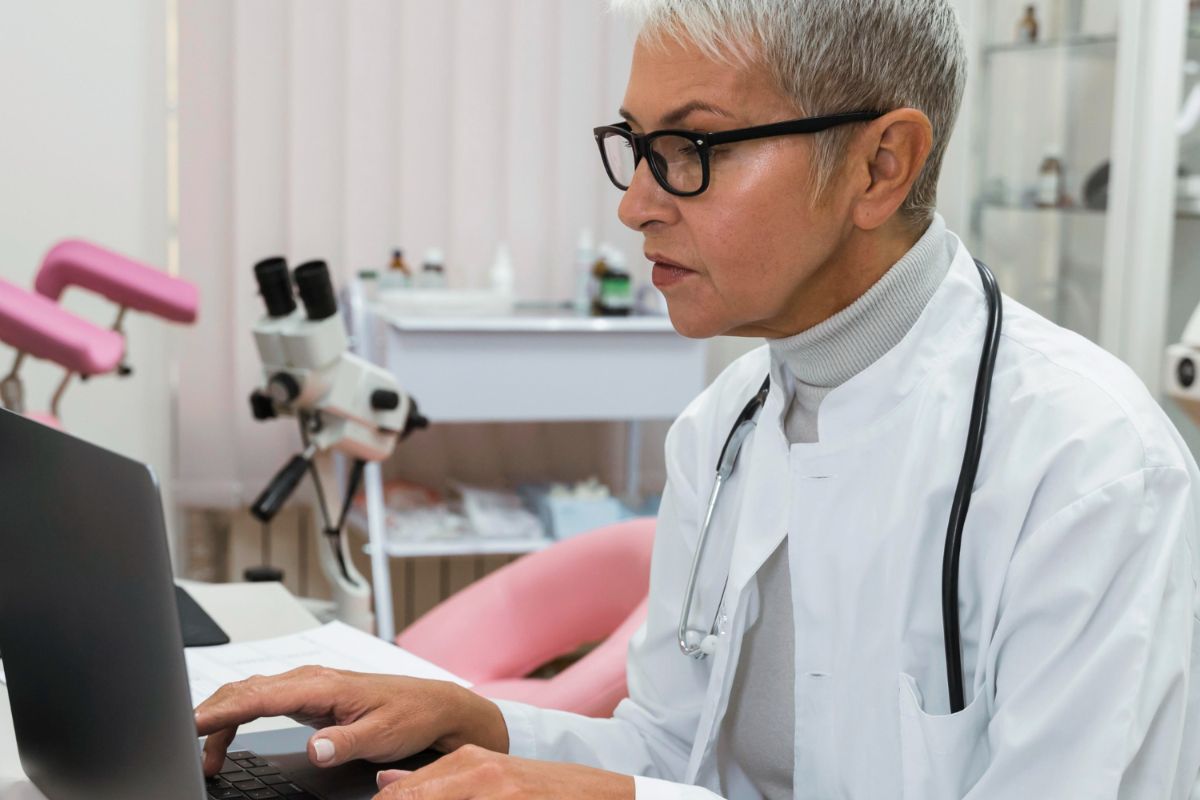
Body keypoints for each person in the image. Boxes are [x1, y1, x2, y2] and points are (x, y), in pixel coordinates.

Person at [195, 1, 1200, 797]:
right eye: (635, 145)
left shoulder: (1090, 467)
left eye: (692, 149)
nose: (636, 201)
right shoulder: (722, 428)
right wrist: (477, 724)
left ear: (878, 165)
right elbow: (672, 747)